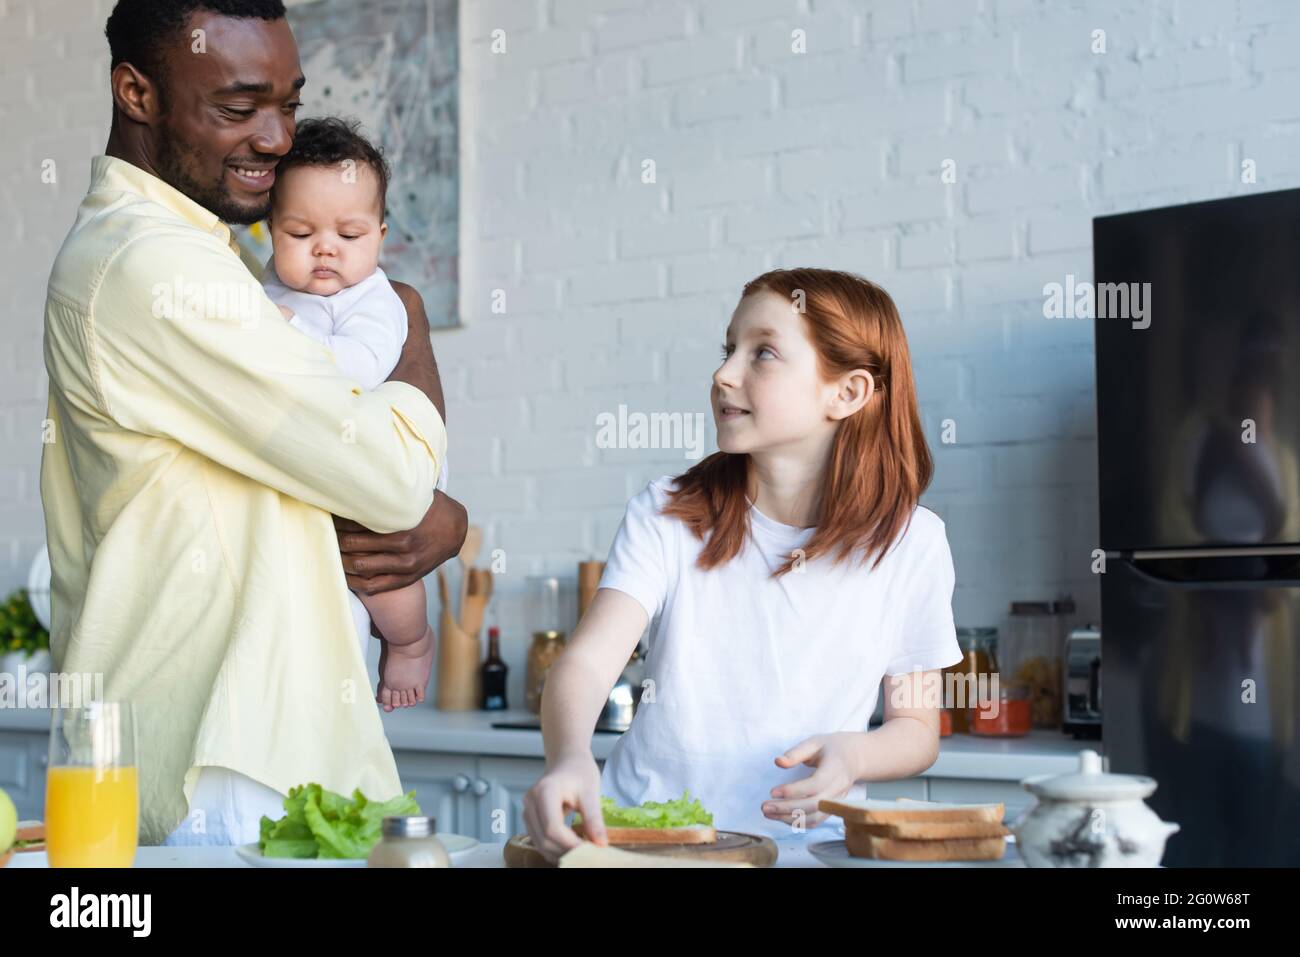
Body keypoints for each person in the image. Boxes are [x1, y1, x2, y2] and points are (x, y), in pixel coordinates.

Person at [40, 0, 466, 846]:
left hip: (249, 741)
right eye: (238, 108)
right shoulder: (155, 265)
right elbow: (384, 475)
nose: (275, 138)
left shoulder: (208, 252)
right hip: (226, 757)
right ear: (137, 92)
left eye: (288, 105)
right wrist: (409, 318)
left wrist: (434, 513)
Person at [524, 268, 962, 861]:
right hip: (642, 841)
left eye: (764, 354)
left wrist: (855, 755)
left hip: (804, 847)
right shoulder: (666, 512)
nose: (724, 374)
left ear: (848, 392)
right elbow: (584, 665)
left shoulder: (912, 542)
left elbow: (917, 730)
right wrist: (571, 758)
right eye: (730, 349)